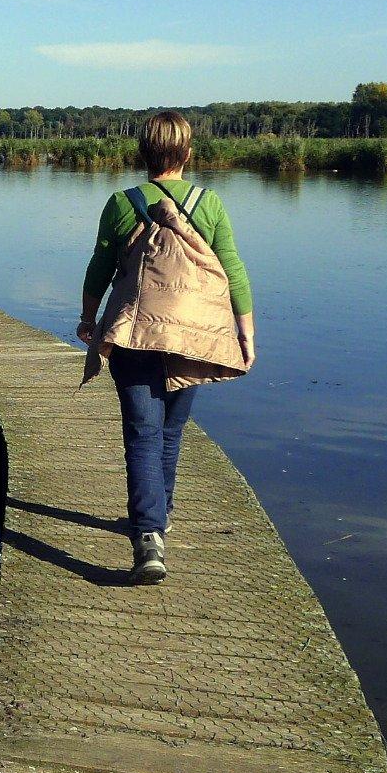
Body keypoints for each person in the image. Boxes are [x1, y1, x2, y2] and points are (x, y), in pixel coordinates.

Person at [77, 112, 254, 584]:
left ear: (142, 153)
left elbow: (100, 267)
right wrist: (244, 332)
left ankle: (149, 535)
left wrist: (89, 319)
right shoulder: (209, 203)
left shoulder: (122, 203)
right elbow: (232, 269)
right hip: (192, 334)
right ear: (188, 153)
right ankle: (159, 519)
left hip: (135, 331)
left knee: (142, 433)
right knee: (171, 432)